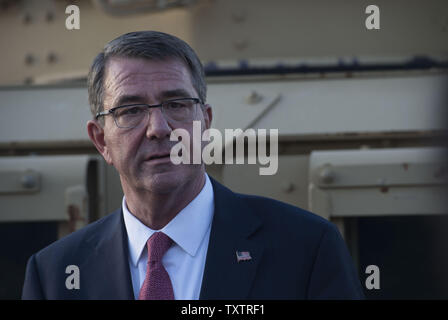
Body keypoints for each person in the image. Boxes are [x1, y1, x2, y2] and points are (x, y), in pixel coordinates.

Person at [22, 31, 364, 300]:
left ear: (206, 123)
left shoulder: (306, 248)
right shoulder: (54, 274)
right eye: (130, 111)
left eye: (177, 104)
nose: (158, 128)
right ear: (101, 140)